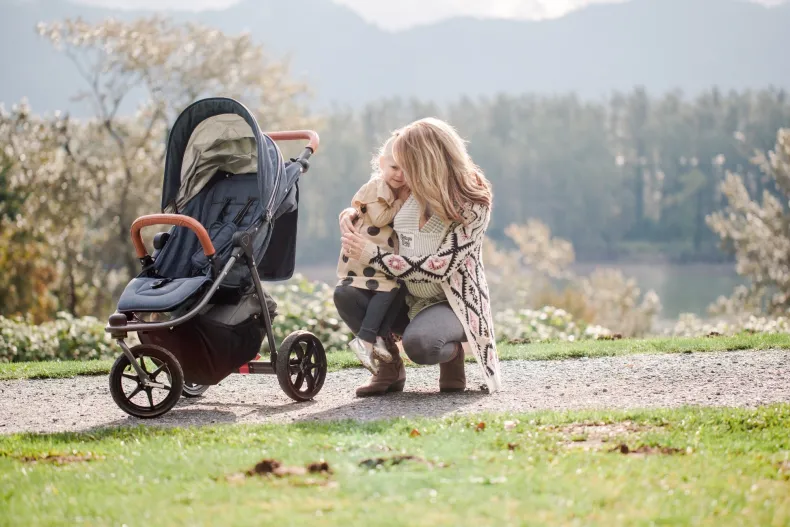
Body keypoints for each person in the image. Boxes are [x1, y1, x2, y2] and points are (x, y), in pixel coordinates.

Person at [336, 117, 502, 397]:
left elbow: (438, 269)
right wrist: (352, 212)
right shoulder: (408, 187)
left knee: (421, 345)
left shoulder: (473, 204)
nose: (401, 172)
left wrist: (371, 254)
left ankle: (451, 355)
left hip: (451, 303)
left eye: (407, 162)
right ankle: (389, 366)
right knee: (347, 295)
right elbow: (376, 194)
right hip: (406, 296)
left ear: (425, 161)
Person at [335, 136, 408, 374]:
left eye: (406, 169)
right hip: (365, 256)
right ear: (381, 163)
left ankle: (378, 339)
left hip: (378, 256)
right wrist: (400, 203)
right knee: (388, 288)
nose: (399, 174)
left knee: (394, 290)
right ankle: (366, 339)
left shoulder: (390, 187)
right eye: (394, 167)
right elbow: (378, 218)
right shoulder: (379, 187)